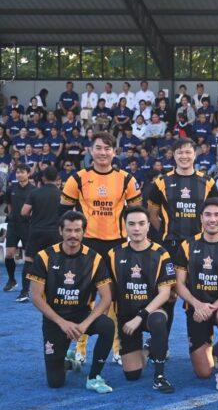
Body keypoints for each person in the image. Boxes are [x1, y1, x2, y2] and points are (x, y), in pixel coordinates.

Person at [62, 131, 143, 365]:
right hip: (87, 246)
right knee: (84, 298)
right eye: (98, 148)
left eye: (108, 148)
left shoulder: (126, 179)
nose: (103, 153)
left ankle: (117, 348)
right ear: (90, 150)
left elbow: (137, 215)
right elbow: (64, 214)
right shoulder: (77, 179)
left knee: (116, 299)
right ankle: (80, 348)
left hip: (118, 247)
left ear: (114, 152)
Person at [28, 211, 115, 393]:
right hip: (54, 318)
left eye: (77, 230)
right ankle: (68, 362)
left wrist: (85, 325)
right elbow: (35, 296)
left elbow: (106, 297)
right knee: (55, 382)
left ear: (84, 232)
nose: (73, 235)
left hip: (81, 315)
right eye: (68, 230)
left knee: (107, 325)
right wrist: (62, 323)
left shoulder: (95, 259)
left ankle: (94, 377)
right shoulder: (44, 257)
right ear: (61, 231)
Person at [148, 138, 217, 351]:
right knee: (168, 295)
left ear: (195, 155)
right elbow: (153, 214)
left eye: (188, 152)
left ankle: (202, 342)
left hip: (199, 247)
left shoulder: (207, 182)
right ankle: (162, 344)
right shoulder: (161, 182)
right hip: (171, 245)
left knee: (200, 292)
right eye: (180, 152)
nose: (184, 156)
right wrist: (167, 232)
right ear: (174, 156)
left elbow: (214, 213)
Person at [174, 198, 218, 391]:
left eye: (217, 215)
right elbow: (178, 284)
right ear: (201, 218)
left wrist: (211, 307)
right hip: (195, 309)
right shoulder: (187, 246)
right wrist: (197, 305)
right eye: (208, 215)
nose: (212, 219)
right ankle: (213, 349)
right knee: (203, 372)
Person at [107, 207, 175, 393]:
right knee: (132, 374)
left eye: (141, 223)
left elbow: (164, 294)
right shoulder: (114, 254)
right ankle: (149, 349)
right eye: (132, 224)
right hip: (126, 318)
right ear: (125, 226)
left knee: (158, 320)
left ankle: (159, 376)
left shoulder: (161, 253)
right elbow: (108, 291)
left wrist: (140, 316)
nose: (136, 228)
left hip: (151, 312)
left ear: (148, 226)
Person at [18, 166, 62, 303]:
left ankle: (25, 292)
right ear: (57, 178)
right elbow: (70, 213)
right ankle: (56, 292)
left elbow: (24, 212)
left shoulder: (35, 193)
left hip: (37, 231)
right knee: (56, 262)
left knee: (29, 260)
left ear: (43, 178)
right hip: (55, 232)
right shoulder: (62, 194)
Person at [4, 165, 34, 297]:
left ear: (28, 173)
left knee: (30, 257)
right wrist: (11, 217)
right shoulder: (11, 189)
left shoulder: (34, 190)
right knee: (9, 254)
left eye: (22, 172)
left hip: (28, 226)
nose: (19, 174)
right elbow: (9, 205)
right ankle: (12, 280)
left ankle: (29, 286)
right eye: (17, 172)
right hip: (13, 225)